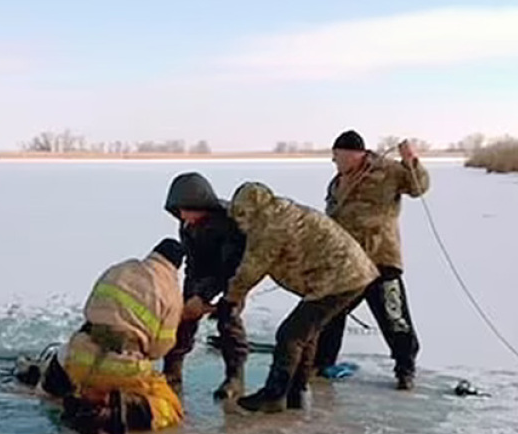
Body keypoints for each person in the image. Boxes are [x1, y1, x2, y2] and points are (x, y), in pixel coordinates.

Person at [213, 182, 379, 413]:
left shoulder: (269, 226)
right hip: (347, 274)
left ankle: (274, 395)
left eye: (241, 216)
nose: (240, 224)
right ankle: (296, 392)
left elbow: (252, 268)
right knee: (305, 334)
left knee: (290, 335)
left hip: (339, 278)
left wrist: (229, 300)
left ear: (250, 211)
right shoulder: (278, 212)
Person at [13, 239, 186, 434]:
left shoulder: (120, 269)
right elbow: (160, 348)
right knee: (171, 408)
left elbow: (90, 309)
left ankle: (57, 390)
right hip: (122, 369)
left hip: (78, 357)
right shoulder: (171, 291)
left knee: (63, 361)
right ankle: (109, 415)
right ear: (176, 266)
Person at [316, 129, 431, 390]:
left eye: (337, 156)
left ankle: (405, 369)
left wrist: (412, 161)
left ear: (353, 154)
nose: (334, 162)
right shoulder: (337, 183)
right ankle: (322, 363)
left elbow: (418, 186)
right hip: (347, 263)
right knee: (330, 312)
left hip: (381, 260)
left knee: (394, 317)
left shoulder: (388, 171)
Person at [161, 172, 250, 401]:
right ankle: (172, 371)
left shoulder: (229, 223)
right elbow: (193, 261)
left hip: (236, 273)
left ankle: (235, 377)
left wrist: (206, 295)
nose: (182, 216)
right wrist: (192, 295)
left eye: (185, 210)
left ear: (201, 205)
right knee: (184, 318)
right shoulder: (187, 224)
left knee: (228, 318)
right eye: (178, 211)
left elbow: (230, 268)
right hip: (202, 273)